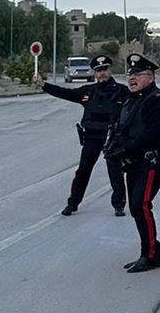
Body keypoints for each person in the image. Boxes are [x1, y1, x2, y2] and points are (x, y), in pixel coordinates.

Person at [107, 52, 160, 272]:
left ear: (151, 77)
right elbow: (122, 129)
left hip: (152, 160)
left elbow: (152, 135)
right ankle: (146, 252)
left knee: (140, 205)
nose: (132, 78)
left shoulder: (159, 100)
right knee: (136, 208)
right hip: (134, 162)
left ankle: (151, 255)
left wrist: (124, 150)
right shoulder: (132, 100)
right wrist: (113, 148)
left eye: (138, 74)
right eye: (130, 74)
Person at [42, 53, 127, 217]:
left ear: (110, 71)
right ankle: (73, 204)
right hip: (91, 137)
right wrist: (44, 86)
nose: (101, 73)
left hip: (112, 137)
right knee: (83, 171)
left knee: (115, 172)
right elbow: (65, 92)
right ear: (94, 73)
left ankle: (119, 205)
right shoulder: (88, 91)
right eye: (98, 70)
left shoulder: (122, 92)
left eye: (104, 70)